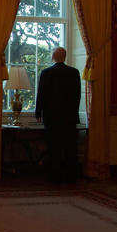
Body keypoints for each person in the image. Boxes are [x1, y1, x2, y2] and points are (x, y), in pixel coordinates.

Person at [35, 47, 81, 183]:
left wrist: (38, 111)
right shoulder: (74, 72)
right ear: (65, 57)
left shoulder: (46, 72)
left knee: (54, 148)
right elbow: (77, 96)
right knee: (70, 148)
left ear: (53, 57)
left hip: (52, 116)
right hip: (69, 117)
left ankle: (55, 176)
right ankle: (71, 177)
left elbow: (41, 94)